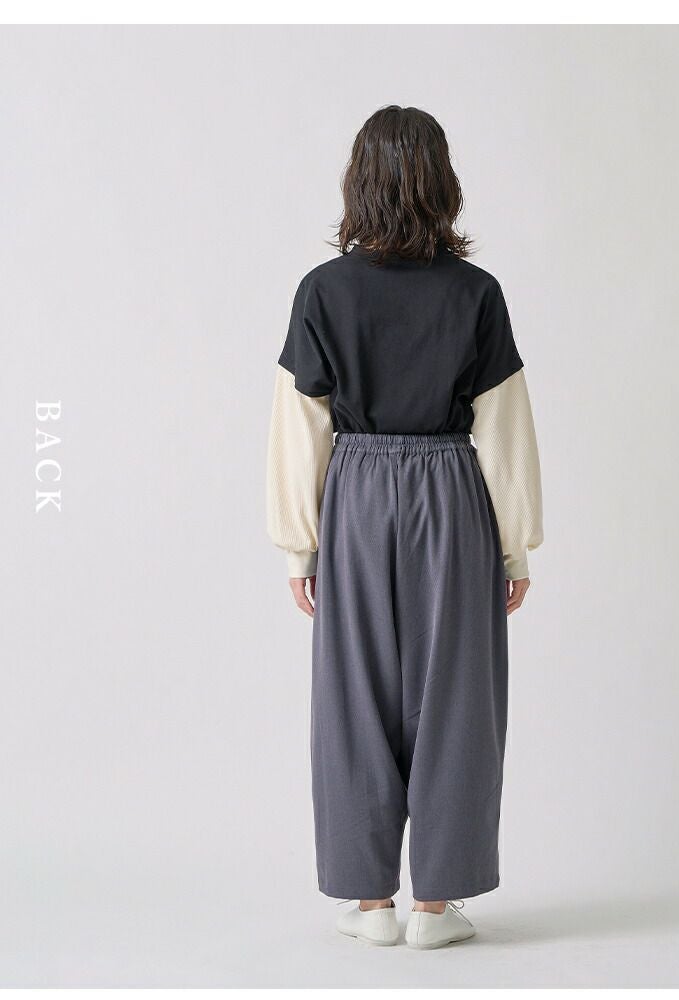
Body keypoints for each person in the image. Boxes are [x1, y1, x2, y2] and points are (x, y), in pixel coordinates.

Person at [267, 105, 542, 950]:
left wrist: (300, 544)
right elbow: (504, 427)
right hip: (450, 492)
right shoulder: (476, 294)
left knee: (354, 697)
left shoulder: (323, 291)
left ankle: (371, 905)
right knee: (456, 695)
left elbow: (300, 426)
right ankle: (436, 908)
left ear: (359, 182)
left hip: (354, 494)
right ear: (442, 183)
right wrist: (514, 546)